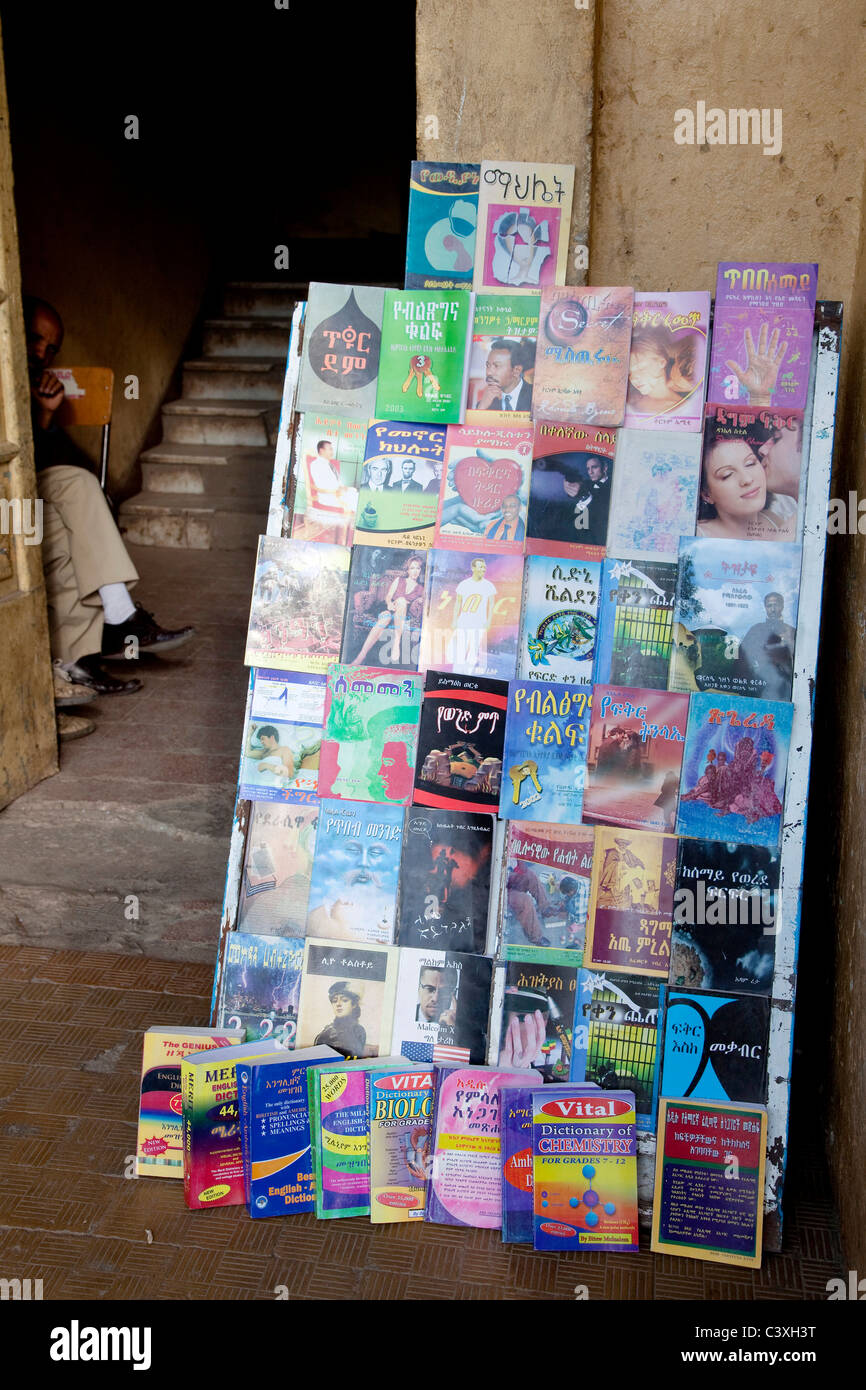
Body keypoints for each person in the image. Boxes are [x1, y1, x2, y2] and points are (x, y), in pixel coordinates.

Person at [26, 296, 194, 697]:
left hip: (22, 502)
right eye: (35, 339)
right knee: (69, 510)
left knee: (74, 500)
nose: (41, 353)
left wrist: (46, 415)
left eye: (51, 349)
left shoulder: (30, 385)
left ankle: (79, 659)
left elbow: (36, 468)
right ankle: (120, 618)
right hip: (8, 508)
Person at [697, 429, 795, 539]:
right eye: (727, 475)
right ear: (706, 495)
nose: (747, 479)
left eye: (750, 463)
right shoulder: (699, 534)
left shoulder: (772, 520)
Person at [348, 554, 425, 666]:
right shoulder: (399, 580)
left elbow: (421, 603)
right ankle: (360, 657)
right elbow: (388, 596)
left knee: (402, 601)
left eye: (418, 568)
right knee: (385, 617)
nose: (415, 571)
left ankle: (396, 643)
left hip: (402, 614)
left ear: (420, 570)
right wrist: (389, 603)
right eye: (412, 568)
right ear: (408, 570)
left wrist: (414, 601)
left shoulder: (421, 589)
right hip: (388, 608)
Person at [626, 325, 701, 418]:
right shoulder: (629, 399)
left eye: (640, 368)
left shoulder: (683, 408)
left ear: (661, 362)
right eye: (630, 373)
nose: (633, 378)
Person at [739, 592, 796, 699]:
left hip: (786, 689)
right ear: (765, 607)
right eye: (769, 606)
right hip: (759, 687)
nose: (773, 609)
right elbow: (742, 658)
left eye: (776, 605)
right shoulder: (755, 630)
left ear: (782, 606)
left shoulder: (791, 632)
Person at [448, 556, 496, 672]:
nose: (483, 569)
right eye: (480, 567)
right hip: (463, 621)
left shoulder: (489, 586)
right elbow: (458, 604)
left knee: (473, 651)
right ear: (473, 568)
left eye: (484, 567)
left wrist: (489, 621)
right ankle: (456, 674)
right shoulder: (464, 584)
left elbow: (491, 606)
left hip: (479, 623)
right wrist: (455, 620)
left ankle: (467, 675)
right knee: (460, 649)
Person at [474, 338, 533, 413]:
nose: (489, 372)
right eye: (488, 365)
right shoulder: (484, 404)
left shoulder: (535, 398)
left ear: (516, 371)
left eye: (496, 366)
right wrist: (481, 408)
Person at [313, 981, 367, 1058]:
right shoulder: (326, 1033)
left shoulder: (359, 1031)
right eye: (334, 1001)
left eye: (344, 1000)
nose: (338, 1004)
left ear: (354, 1004)